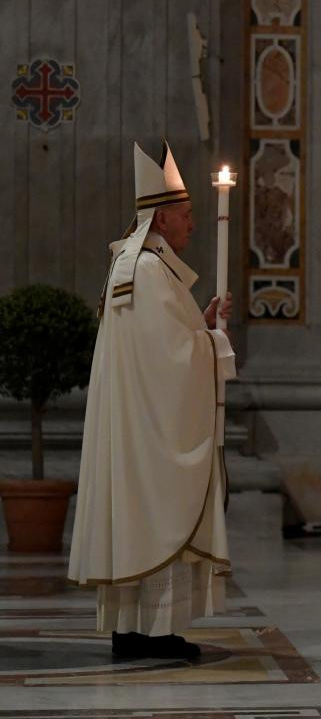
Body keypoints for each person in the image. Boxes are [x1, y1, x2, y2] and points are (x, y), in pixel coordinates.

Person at [68, 142, 237, 660]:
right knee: (156, 516)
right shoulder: (142, 271)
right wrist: (212, 345)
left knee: (149, 520)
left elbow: (160, 347)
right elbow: (167, 363)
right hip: (148, 434)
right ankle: (147, 634)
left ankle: (143, 631)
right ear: (161, 218)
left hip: (142, 427)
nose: (192, 225)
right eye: (185, 216)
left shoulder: (142, 268)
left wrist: (200, 327)